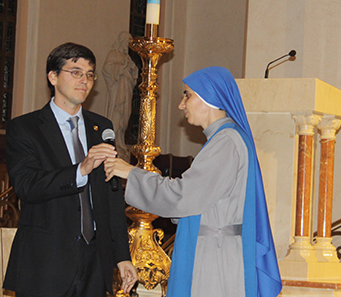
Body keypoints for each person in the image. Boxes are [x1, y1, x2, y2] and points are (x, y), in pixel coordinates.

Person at [104, 66, 282, 297]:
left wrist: (131, 173)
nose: (181, 104)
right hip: (213, 249)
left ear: (211, 96)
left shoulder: (226, 142)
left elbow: (184, 196)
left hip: (214, 258)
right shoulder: (223, 140)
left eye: (187, 94)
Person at [3, 42, 137, 297]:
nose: (84, 80)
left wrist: (121, 256)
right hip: (46, 263)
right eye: (75, 72)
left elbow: (111, 196)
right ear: (53, 77)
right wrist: (81, 170)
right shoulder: (25, 128)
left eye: (89, 74)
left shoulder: (102, 126)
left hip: (94, 262)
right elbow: (27, 186)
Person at [102, 31, 138, 161]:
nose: (126, 45)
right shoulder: (114, 54)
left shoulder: (127, 57)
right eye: (125, 42)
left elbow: (134, 73)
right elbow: (107, 69)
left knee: (124, 119)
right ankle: (113, 144)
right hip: (117, 92)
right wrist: (120, 69)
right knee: (116, 116)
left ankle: (120, 144)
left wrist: (131, 69)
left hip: (126, 90)